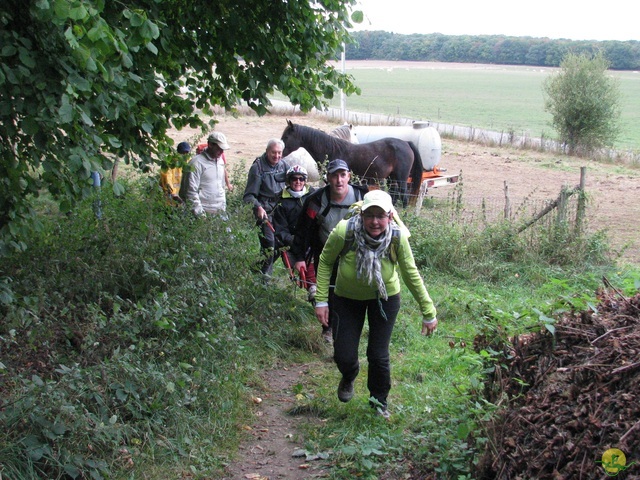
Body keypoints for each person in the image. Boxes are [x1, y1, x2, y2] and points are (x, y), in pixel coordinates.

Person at [314, 189, 438, 418]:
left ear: (390, 216)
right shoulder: (345, 232)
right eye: (370, 215)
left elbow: (411, 273)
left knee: (378, 354)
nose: (375, 222)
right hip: (347, 299)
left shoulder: (397, 237)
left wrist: (428, 310)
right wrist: (321, 300)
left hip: (385, 299)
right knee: (344, 355)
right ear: (361, 215)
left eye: (380, 216)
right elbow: (325, 261)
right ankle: (349, 375)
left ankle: (378, 402)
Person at [290, 159, 368, 343]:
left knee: (353, 290)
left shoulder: (362, 197)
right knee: (328, 290)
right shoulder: (316, 201)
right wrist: (300, 257)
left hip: (356, 255)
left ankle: (350, 327)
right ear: (328, 178)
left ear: (349, 176)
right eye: (334, 175)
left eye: (343, 175)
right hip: (326, 254)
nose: (339, 180)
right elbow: (303, 230)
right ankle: (328, 328)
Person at [243, 138, 290, 277]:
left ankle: (257, 269)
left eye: (279, 153)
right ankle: (265, 279)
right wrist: (258, 207)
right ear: (267, 151)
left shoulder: (284, 166)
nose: (276, 156)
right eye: (273, 153)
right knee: (269, 244)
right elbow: (248, 196)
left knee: (281, 243)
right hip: (264, 211)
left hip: (279, 212)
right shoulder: (257, 168)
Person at [272, 165, 317, 300]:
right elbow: (281, 229)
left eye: (301, 179)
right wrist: (294, 241)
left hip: (313, 236)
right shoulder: (281, 202)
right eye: (294, 179)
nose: (298, 182)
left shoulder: (314, 196)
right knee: (304, 251)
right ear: (288, 181)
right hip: (292, 239)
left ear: (305, 181)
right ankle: (312, 286)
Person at [185, 132, 234, 216]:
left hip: (220, 212)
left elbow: (221, 186)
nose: (221, 152)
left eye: (223, 149)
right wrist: (200, 215)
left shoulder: (220, 161)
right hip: (202, 213)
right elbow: (190, 191)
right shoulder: (196, 163)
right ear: (210, 145)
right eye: (219, 148)